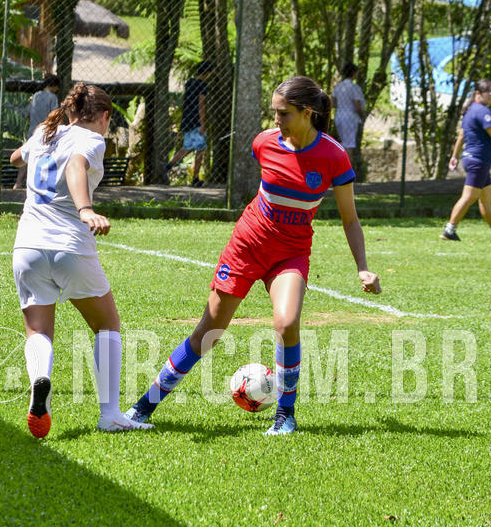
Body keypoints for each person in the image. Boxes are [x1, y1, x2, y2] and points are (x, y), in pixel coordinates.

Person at [126, 75, 381, 435]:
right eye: (274, 112)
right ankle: (143, 407)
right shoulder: (264, 142)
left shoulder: (334, 157)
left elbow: (350, 219)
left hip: (291, 252)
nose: (275, 120)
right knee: (210, 330)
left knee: (287, 323)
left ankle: (285, 416)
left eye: (283, 113)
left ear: (307, 113)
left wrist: (363, 268)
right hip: (248, 245)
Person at [9, 82, 153, 438]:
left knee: (39, 330)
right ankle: (110, 415)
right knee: (107, 325)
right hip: (69, 246)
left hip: (26, 247)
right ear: (104, 116)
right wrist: (85, 208)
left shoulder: (46, 132)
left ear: (69, 111)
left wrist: (35, 145)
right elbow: (75, 165)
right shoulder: (92, 140)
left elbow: (16, 158)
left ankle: (41, 380)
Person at [441, 78, 491, 242]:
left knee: (486, 198)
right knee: (469, 197)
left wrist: (455, 156)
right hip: (478, 161)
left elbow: (461, 136)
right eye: (488, 92)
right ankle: (449, 229)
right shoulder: (482, 111)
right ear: (478, 94)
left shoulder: (470, 111)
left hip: (477, 161)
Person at [165, 61, 213, 187]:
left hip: (187, 120)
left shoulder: (189, 83)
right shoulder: (202, 85)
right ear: (207, 72)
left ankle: (167, 167)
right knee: (200, 149)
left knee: (186, 147)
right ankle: (195, 178)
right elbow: (201, 105)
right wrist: (203, 124)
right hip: (197, 121)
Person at [13, 73, 61, 189]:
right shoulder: (52, 97)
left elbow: (28, 113)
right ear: (54, 86)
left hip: (33, 131)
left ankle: (18, 183)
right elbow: (55, 115)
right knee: (47, 158)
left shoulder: (36, 96)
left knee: (27, 156)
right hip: (47, 132)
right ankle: (41, 185)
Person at [331, 62, 365, 166]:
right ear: (354, 73)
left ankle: (341, 169)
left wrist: (343, 105)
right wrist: (362, 116)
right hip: (350, 117)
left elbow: (333, 103)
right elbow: (357, 105)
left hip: (339, 116)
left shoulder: (339, 86)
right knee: (349, 145)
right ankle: (347, 171)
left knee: (343, 143)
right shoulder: (354, 87)